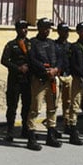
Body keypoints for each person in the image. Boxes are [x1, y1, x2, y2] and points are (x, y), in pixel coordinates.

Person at [25, 18, 62, 151]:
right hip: (40, 80)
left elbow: (60, 58)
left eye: (49, 28)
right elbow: (32, 60)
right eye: (45, 27)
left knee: (53, 108)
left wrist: (56, 69)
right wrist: (45, 71)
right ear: (39, 28)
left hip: (53, 80)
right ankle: (31, 138)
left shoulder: (53, 43)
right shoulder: (32, 43)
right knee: (35, 109)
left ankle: (51, 136)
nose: (47, 30)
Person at [0, 19, 32, 143]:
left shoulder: (31, 44)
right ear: (17, 29)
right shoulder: (11, 44)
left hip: (27, 80)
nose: (25, 30)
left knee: (27, 106)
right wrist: (18, 68)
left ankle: (25, 128)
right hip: (15, 80)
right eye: (22, 28)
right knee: (12, 107)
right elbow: (4, 60)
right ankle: (10, 131)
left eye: (26, 28)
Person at [54, 22, 73, 139]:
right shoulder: (54, 45)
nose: (66, 33)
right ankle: (53, 126)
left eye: (67, 31)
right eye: (63, 31)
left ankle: (67, 124)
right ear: (59, 32)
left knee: (68, 103)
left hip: (68, 76)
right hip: (58, 76)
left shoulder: (71, 46)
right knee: (54, 103)